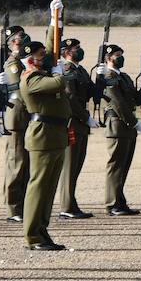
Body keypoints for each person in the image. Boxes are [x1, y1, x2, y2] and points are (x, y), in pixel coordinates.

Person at [21, 40, 72, 251]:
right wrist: (58, 71)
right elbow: (59, 83)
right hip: (43, 135)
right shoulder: (31, 78)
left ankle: (42, 231)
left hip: (55, 134)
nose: (47, 57)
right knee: (39, 187)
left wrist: (55, 19)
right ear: (31, 59)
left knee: (48, 189)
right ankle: (33, 235)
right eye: (42, 55)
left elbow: (53, 44)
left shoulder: (43, 75)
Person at [95, 43, 141, 215]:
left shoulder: (124, 77)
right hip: (117, 123)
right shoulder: (108, 77)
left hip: (127, 124)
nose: (120, 58)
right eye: (117, 55)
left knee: (124, 164)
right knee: (116, 164)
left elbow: (135, 99)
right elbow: (117, 102)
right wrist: (135, 123)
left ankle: (120, 200)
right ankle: (112, 202)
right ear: (108, 58)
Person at [56, 38, 95, 220]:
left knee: (77, 164)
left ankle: (71, 203)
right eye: (75, 48)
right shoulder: (67, 70)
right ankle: (66, 206)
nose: (79, 50)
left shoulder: (80, 70)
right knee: (70, 165)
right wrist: (86, 117)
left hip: (80, 122)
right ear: (66, 52)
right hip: (73, 121)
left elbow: (90, 92)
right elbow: (70, 98)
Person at [0, 26, 31, 223]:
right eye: (19, 40)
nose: (23, 41)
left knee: (25, 164)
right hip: (17, 118)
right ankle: (13, 208)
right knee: (16, 163)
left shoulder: (23, 62)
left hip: (26, 117)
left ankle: (23, 205)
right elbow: (21, 88)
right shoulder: (13, 63)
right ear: (11, 43)